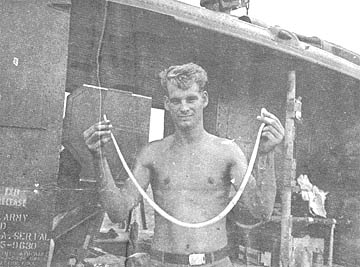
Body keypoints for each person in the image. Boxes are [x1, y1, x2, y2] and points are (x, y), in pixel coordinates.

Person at [83, 63, 284, 266]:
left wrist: (267, 154)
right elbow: (117, 212)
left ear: (204, 99)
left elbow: (261, 211)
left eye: (191, 99)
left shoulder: (227, 151)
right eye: (176, 101)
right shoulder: (152, 153)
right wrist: (98, 157)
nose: (184, 107)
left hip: (215, 262)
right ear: (167, 103)